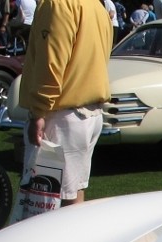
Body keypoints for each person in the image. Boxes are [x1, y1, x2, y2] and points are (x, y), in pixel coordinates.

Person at [19, 0, 112, 206]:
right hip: (88, 113)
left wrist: (38, 112)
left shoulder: (57, 4)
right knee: (73, 196)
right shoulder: (96, 6)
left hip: (62, 116)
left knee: (47, 201)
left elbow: (51, 63)